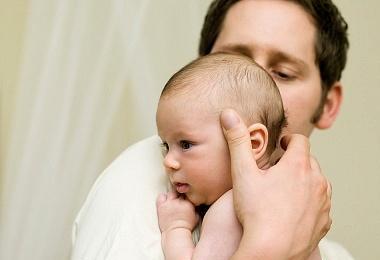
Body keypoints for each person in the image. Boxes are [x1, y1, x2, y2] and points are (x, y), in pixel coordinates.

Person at [71, 0, 353, 259]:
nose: (254, 84)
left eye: (283, 73)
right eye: (230, 65)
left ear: (328, 105)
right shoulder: (142, 183)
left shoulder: (337, 254)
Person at [156, 52, 291, 260]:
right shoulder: (289, 196)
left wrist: (176, 227)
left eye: (186, 144)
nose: (168, 161)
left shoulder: (230, 211)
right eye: (165, 145)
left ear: (252, 143)